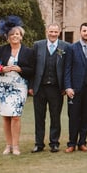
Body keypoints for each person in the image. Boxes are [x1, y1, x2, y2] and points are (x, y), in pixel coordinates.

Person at [0, 17, 35, 155]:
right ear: (7, 37)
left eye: (17, 34)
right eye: (12, 34)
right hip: (3, 86)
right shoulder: (1, 50)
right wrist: (1, 69)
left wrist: (21, 69)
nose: (15, 36)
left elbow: (33, 69)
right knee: (5, 116)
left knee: (16, 116)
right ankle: (8, 145)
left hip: (19, 87)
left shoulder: (28, 52)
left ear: (21, 36)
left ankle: (15, 146)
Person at [30, 23, 69, 153]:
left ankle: (54, 143)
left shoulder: (65, 46)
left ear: (59, 33)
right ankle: (39, 143)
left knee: (55, 117)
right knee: (39, 117)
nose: (53, 34)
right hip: (40, 87)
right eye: (51, 31)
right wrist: (31, 86)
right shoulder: (37, 45)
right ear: (47, 31)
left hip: (56, 88)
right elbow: (32, 67)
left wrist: (65, 86)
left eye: (55, 32)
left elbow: (67, 68)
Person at [63, 22, 87, 153]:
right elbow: (67, 68)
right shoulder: (71, 48)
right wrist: (68, 87)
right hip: (75, 89)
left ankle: (82, 142)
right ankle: (71, 143)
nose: (86, 33)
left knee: (86, 116)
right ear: (80, 32)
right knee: (73, 117)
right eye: (84, 31)